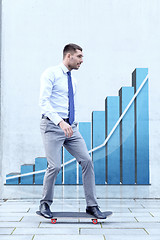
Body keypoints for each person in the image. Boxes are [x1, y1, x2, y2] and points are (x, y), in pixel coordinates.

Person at [39, 43, 105, 219]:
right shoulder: (50, 74)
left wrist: (71, 123)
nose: (82, 60)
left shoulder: (73, 80)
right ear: (69, 56)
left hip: (71, 128)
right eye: (80, 56)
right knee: (54, 166)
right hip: (53, 126)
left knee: (87, 161)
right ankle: (45, 203)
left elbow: (69, 105)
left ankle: (92, 205)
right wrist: (61, 123)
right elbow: (43, 103)